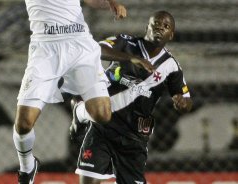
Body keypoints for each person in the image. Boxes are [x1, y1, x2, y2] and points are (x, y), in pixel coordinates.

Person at [12, 0, 155, 183]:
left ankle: (79, 112)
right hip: (45, 49)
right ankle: (27, 167)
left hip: (79, 45)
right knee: (24, 124)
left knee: (103, 114)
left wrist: (111, 3)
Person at [70, 10, 193, 184]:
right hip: (103, 127)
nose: (160, 28)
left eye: (166, 26)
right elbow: (95, 49)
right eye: (156, 24)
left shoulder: (171, 66)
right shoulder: (126, 43)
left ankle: (81, 111)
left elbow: (187, 99)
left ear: (171, 35)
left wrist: (183, 102)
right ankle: (82, 112)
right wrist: (131, 59)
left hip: (133, 137)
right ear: (147, 27)